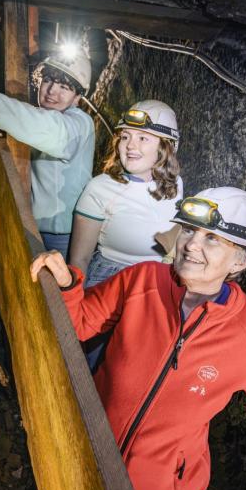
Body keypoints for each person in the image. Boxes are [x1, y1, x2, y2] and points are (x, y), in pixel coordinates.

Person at [30, 187, 246, 490]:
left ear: (240, 261)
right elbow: (82, 323)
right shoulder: (144, 280)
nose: (192, 243)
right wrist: (65, 284)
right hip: (88, 455)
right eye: (190, 229)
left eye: (212, 238)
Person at [0, 50, 94, 259]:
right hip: (38, 225)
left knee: (58, 290)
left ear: (77, 97)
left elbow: (46, 128)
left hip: (62, 235)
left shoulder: (79, 124)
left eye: (64, 87)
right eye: (48, 80)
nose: (51, 91)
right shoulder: (47, 114)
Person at [69, 100, 183, 370]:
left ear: (165, 148)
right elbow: (80, 258)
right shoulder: (100, 188)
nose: (130, 145)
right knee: (89, 362)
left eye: (143, 137)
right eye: (126, 136)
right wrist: (73, 306)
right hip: (108, 280)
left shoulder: (176, 186)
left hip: (156, 285)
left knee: (131, 366)